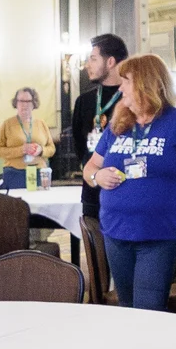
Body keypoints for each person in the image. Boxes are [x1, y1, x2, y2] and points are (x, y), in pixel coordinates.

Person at [85, 54, 176, 311]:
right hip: (116, 230)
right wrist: (96, 177)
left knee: (148, 309)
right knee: (127, 305)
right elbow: (91, 166)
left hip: (159, 233)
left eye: (126, 81)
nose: (120, 88)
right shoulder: (119, 123)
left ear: (146, 83)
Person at [67, 33, 128, 219]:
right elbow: (79, 144)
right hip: (92, 193)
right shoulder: (84, 101)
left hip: (124, 190)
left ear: (110, 62)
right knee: (94, 247)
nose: (87, 65)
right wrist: (91, 170)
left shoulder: (130, 99)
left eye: (93, 59)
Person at [0, 86, 59, 173]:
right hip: (14, 171)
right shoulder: (7, 124)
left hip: (39, 170)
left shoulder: (41, 123)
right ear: (16, 103)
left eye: (28, 101)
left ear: (34, 103)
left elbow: (51, 149)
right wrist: (21, 150)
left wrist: (41, 150)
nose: (24, 104)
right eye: (21, 101)